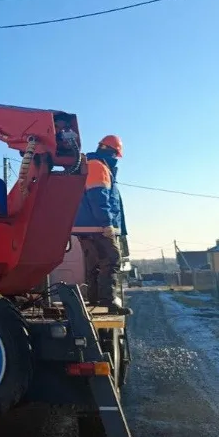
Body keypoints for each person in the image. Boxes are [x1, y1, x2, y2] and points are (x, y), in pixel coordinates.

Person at [72, 135, 130, 315]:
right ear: (114, 152)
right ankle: (109, 301)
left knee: (95, 263)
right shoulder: (98, 166)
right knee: (112, 259)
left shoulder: (90, 164)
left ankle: (96, 299)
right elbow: (99, 197)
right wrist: (107, 224)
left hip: (86, 226)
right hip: (97, 226)